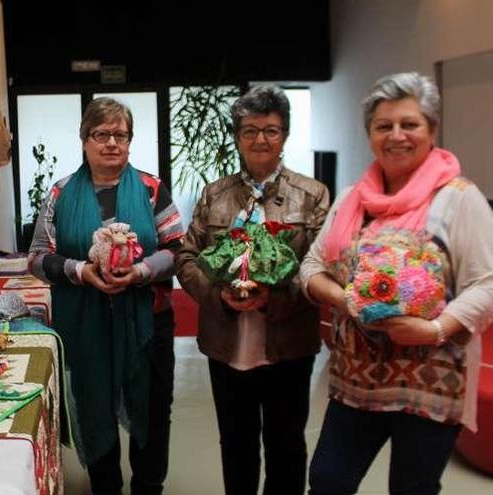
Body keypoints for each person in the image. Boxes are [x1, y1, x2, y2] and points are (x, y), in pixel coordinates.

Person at [301, 72, 493, 494]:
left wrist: (434, 328)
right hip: (355, 382)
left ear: (432, 130)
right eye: (383, 126)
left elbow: (487, 283)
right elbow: (312, 267)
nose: (397, 136)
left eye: (410, 124)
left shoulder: (459, 198)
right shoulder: (353, 197)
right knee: (328, 482)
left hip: (430, 384)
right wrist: (345, 298)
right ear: (369, 134)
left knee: (412, 489)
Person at [175, 84, 330, 495]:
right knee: (236, 447)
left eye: (271, 130)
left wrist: (276, 296)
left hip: (289, 342)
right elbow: (187, 258)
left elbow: (321, 266)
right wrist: (217, 294)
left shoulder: (312, 195)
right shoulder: (215, 194)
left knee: (286, 447)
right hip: (227, 343)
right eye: (250, 130)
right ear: (238, 136)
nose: (261, 139)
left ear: (284, 135)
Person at [28, 97, 184, 495]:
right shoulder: (61, 195)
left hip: (148, 322)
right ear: (85, 140)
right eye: (102, 134)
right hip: (85, 326)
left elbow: (178, 249)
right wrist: (81, 272)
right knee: (93, 404)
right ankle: (106, 486)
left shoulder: (151, 189)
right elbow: (38, 258)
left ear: (130, 142)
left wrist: (140, 272)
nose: (111, 142)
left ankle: (149, 484)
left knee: (151, 407)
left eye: (120, 134)